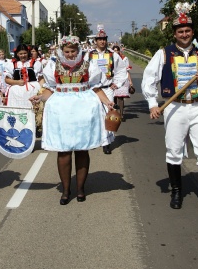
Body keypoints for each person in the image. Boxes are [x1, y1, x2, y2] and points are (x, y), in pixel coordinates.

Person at [141, 2, 198, 213]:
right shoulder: (163, 54)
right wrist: (152, 103)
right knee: (174, 151)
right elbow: (149, 79)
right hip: (174, 107)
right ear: (175, 33)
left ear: (192, 32)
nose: (185, 34)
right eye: (181, 31)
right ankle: (177, 192)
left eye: (188, 31)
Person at [31, 35, 115, 205]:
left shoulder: (88, 64)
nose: (70, 54)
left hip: (83, 109)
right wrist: (39, 98)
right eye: (67, 51)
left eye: (73, 51)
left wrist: (108, 102)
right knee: (63, 151)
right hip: (61, 111)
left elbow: (96, 88)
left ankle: (81, 187)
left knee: (82, 149)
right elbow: (50, 89)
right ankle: (66, 189)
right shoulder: (53, 65)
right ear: (62, 51)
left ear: (79, 50)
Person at [86, 29, 128, 154]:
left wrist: (117, 83)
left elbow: (122, 70)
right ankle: (93, 138)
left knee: (107, 115)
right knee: (92, 114)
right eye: (99, 39)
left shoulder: (112, 55)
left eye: (104, 39)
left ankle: (107, 143)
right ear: (95, 41)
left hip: (107, 88)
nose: (102, 41)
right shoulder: (88, 55)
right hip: (92, 90)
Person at [4, 44, 43, 108]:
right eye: (21, 54)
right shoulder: (12, 64)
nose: (23, 55)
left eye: (25, 53)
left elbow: (41, 79)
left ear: (28, 53)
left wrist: (41, 91)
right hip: (17, 92)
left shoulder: (35, 63)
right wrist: (17, 82)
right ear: (17, 54)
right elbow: (7, 80)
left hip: (33, 90)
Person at [111, 45, 133, 121]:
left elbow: (127, 71)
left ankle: (121, 114)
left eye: (117, 50)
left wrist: (130, 81)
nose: (115, 52)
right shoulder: (110, 59)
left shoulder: (124, 59)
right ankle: (115, 113)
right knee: (114, 97)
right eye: (114, 50)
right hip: (114, 80)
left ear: (119, 51)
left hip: (123, 80)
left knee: (120, 97)